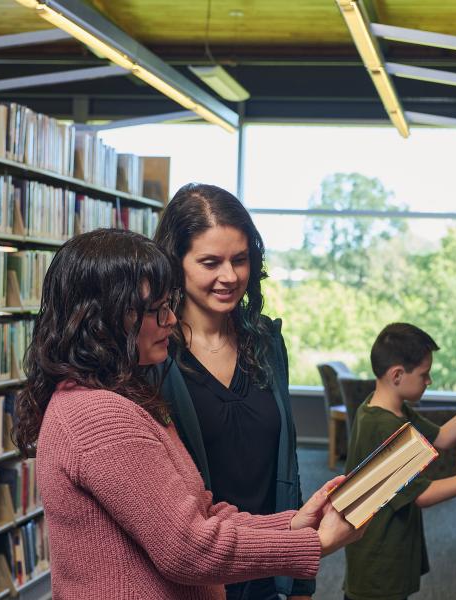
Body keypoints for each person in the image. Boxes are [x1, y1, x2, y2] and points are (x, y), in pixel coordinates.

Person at [13, 229, 360, 599]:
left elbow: (200, 514)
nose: (171, 320)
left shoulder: (121, 398)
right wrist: (315, 544)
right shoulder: (100, 415)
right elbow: (189, 549)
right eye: (154, 310)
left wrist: (293, 524)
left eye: (170, 304)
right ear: (101, 320)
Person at [154, 183, 314, 600]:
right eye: (210, 262)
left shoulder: (266, 341)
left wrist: (300, 579)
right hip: (196, 577)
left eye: (240, 260)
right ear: (177, 263)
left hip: (271, 565)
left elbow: (288, 460)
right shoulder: (152, 354)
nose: (229, 277)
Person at [343, 323, 456, 600]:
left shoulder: (383, 407)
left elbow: (442, 437)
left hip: (384, 553)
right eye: (424, 374)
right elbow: (424, 494)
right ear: (397, 375)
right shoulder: (385, 427)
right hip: (379, 564)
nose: (429, 381)